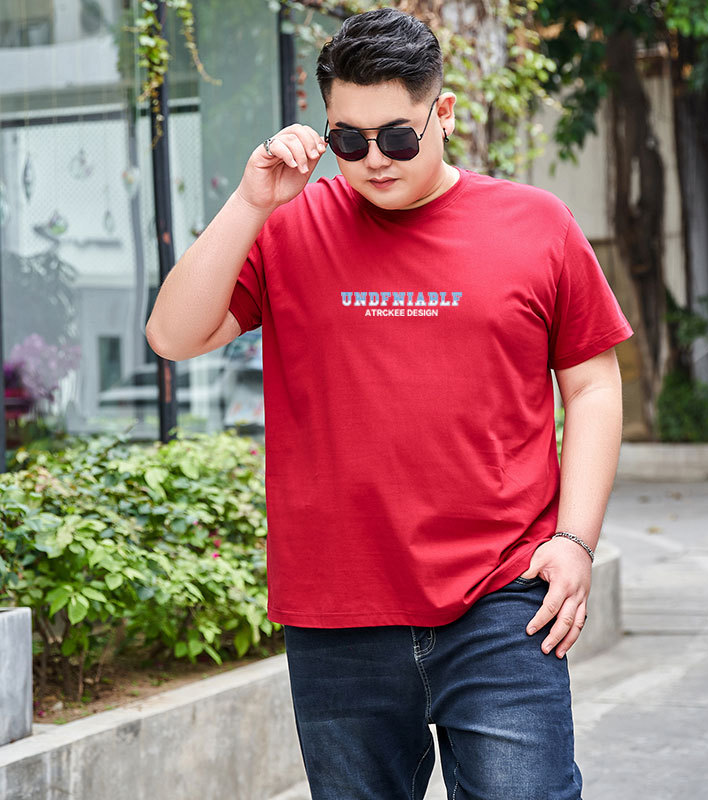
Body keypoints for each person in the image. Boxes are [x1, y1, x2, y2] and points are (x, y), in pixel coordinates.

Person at [146, 7, 633, 799]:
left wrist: (576, 539)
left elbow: (593, 382)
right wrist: (250, 202)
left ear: (444, 113)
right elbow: (173, 335)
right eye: (348, 139)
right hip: (337, 608)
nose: (374, 160)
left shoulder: (536, 224)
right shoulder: (289, 228)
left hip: (502, 597)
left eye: (397, 137)